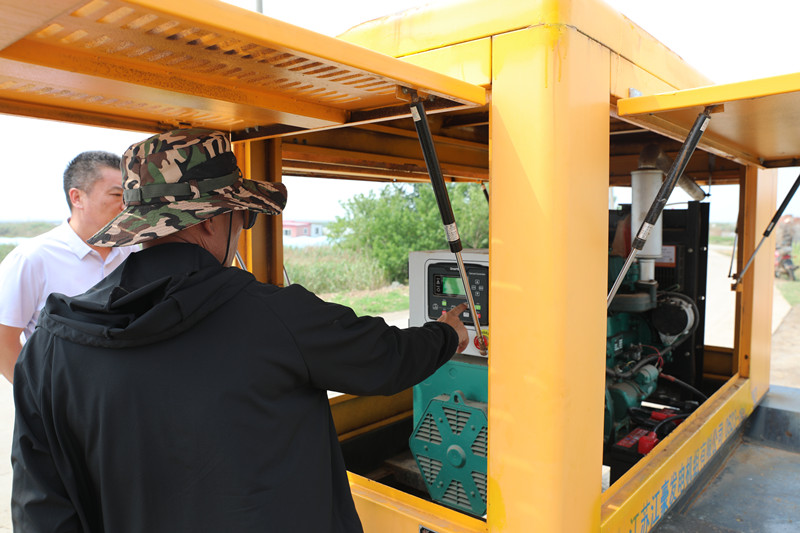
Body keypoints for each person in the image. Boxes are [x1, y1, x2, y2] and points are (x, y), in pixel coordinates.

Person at [12, 129, 469, 533]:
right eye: (244, 216)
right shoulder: (276, 317)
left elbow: (41, 508)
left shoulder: (51, 343)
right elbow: (386, 358)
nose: (243, 229)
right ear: (213, 218)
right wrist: (447, 334)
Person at [0, 151, 136, 382]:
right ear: (77, 198)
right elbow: (4, 341)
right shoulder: (32, 258)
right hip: (61, 397)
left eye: (129, 195)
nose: (126, 205)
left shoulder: (131, 251)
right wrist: (35, 395)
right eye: (116, 194)